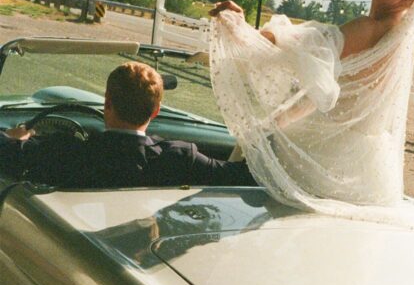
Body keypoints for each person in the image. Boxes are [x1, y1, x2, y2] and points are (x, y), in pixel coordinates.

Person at [209, 0, 414, 214]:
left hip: (320, 162)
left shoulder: (368, 29)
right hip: (367, 170)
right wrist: (280, 119)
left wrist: (240, 27)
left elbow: (304, 44)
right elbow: (331, 91)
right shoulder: (399, 40)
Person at [0, 61, 257, 189]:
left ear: (107, 103)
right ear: (156, 111)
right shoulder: (179, 159)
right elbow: (244, 176)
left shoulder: (64, 152)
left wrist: (16, 138)